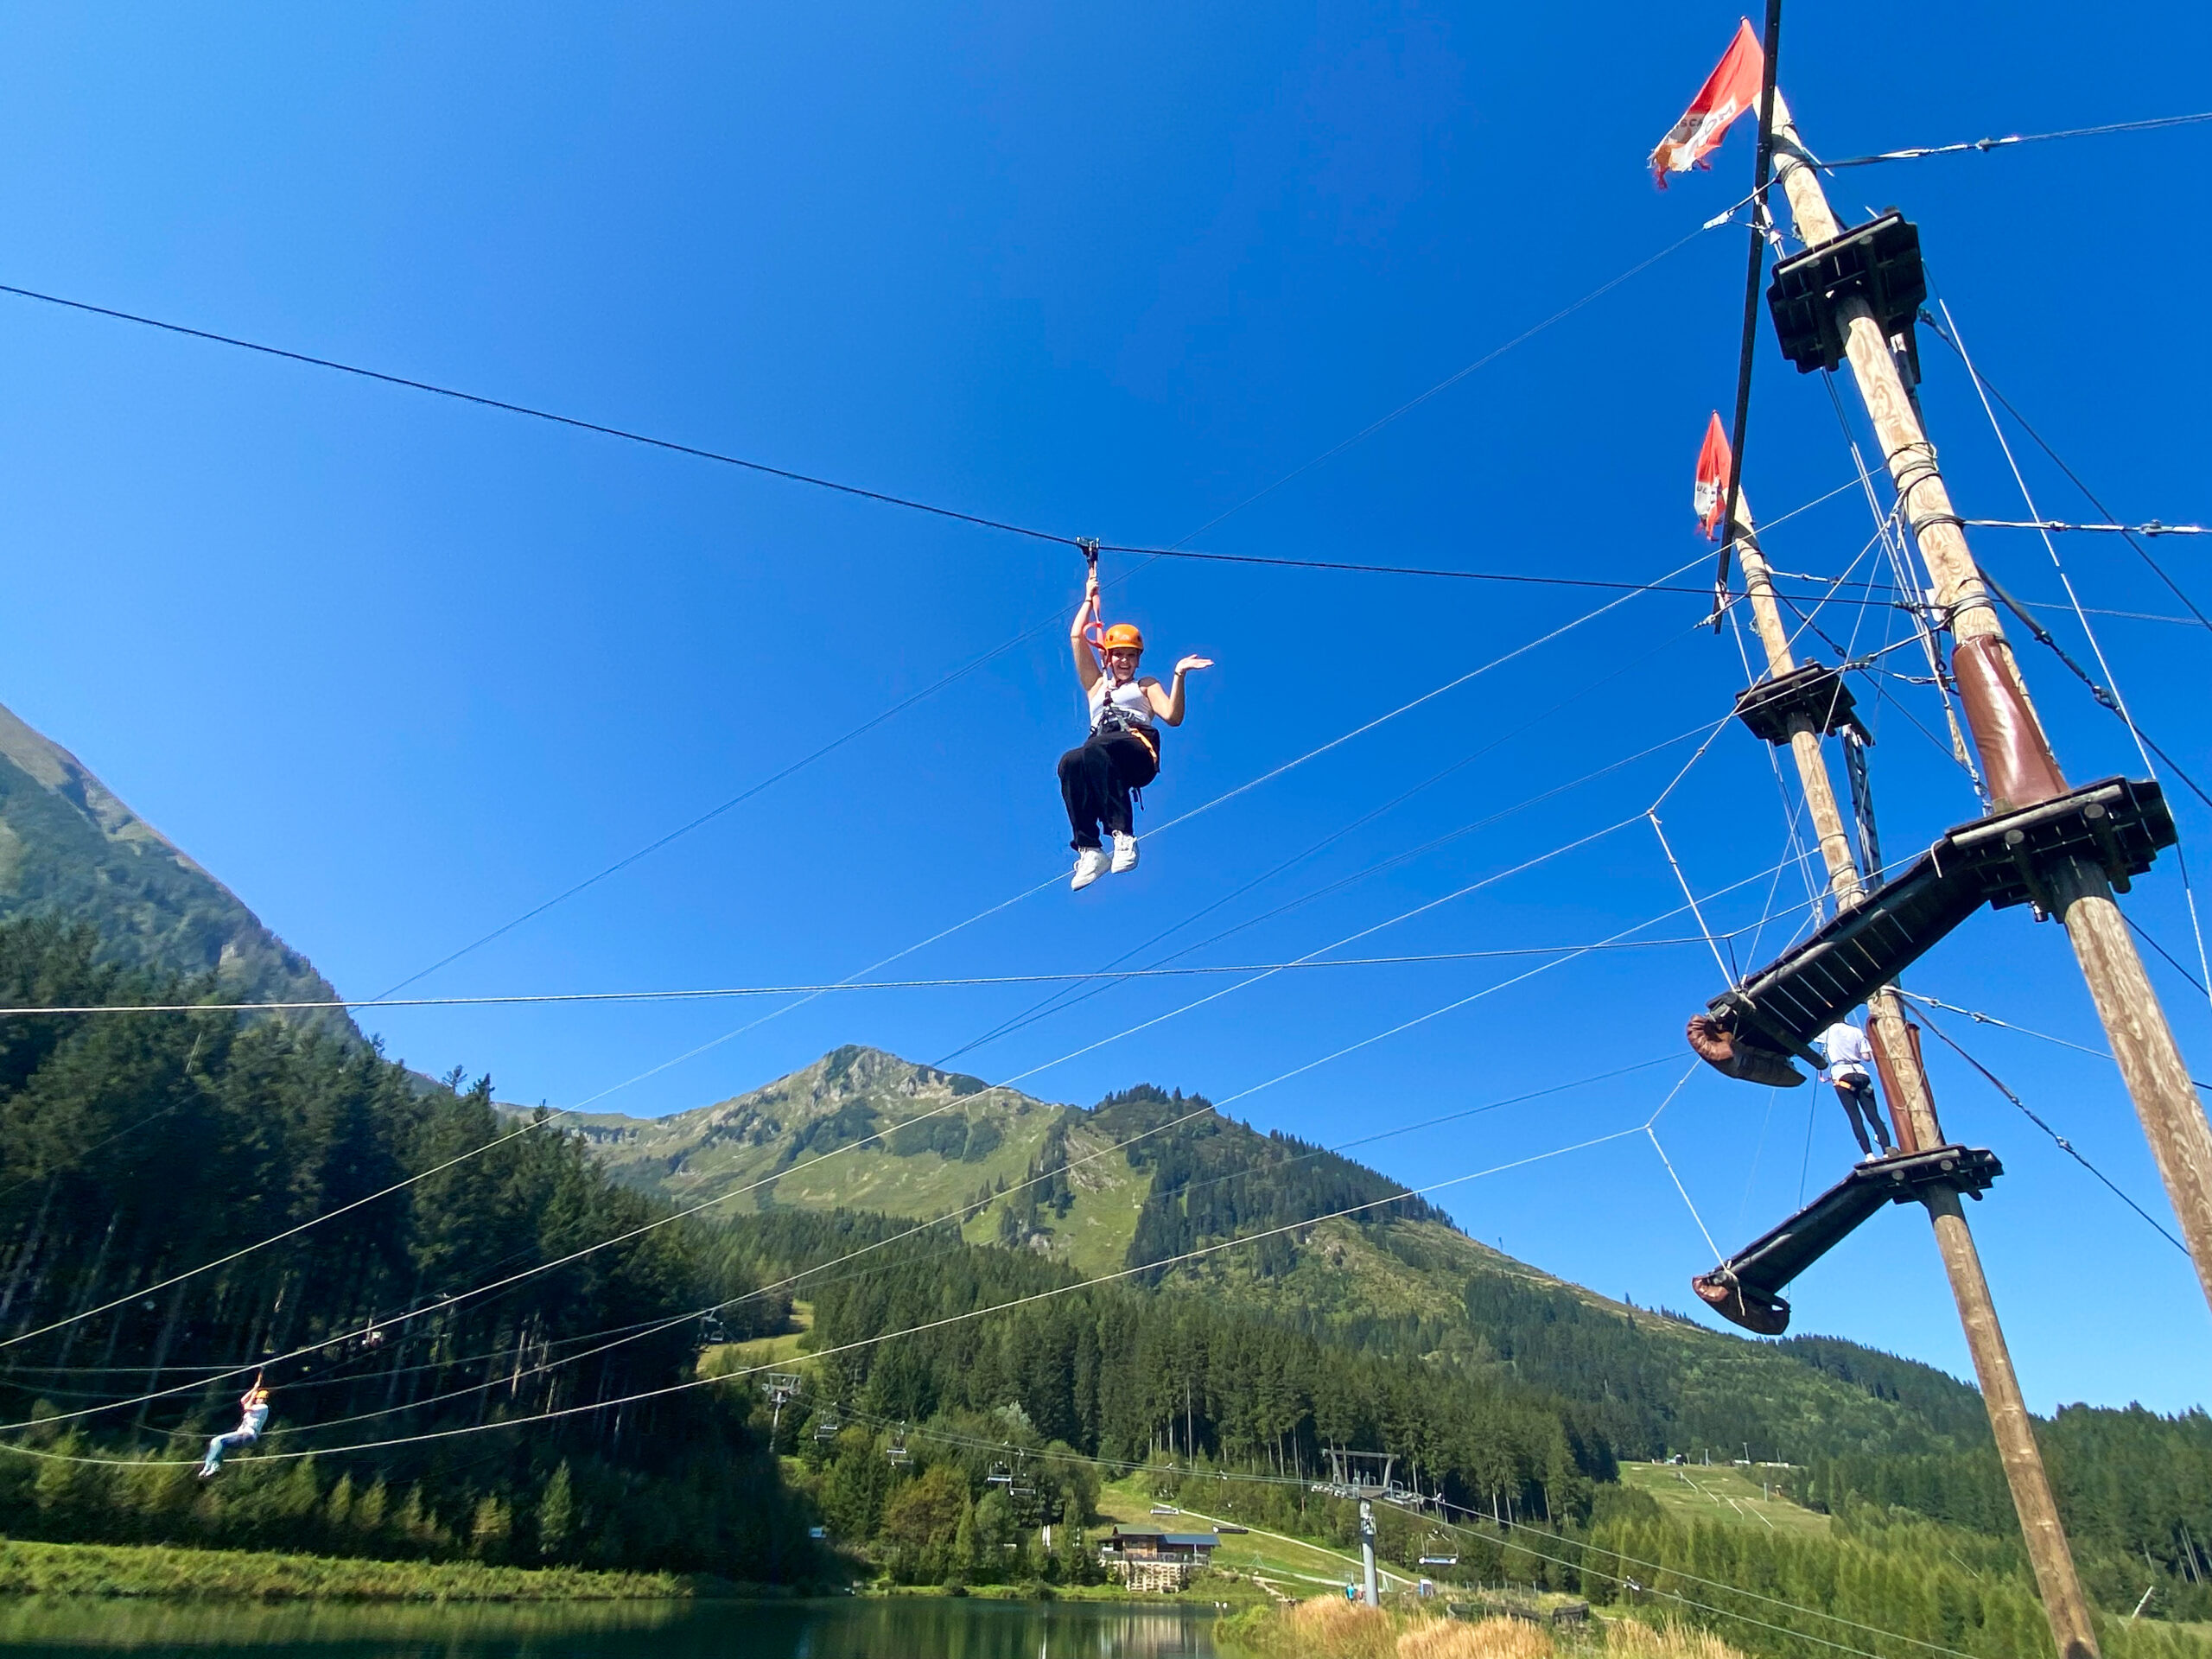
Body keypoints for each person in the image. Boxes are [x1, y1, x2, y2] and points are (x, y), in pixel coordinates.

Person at [1058, 564, 1211, 890]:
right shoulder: (1096, 686)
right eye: (1118, 655)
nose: (1124, 661)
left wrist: (1179, 675)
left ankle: (1123, 836)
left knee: (1096, 748)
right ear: (1108, 658)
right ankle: (1090, 850)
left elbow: (1172, 716)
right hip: (1103, 757)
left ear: (1138, 660)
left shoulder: (1144, 685)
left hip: (1137, 750)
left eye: (1131, 656)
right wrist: (1088, 598)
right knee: (1070, 761)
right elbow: (1075, 637)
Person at [1815, 1015, 1893, 1161]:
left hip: (1841, 1073)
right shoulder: (1856, 1031)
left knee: (1855, 1117)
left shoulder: (1828, 1031)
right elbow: (1867, 1057)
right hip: (1861, 1073)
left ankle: (1869, 1155)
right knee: (1874, 1116)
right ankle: (1887, 1151)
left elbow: (1814, 1036)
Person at [199, 1382, 271, 1478]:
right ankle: (214, 1467)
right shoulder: (256, 1408)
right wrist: (253, 1389)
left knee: (217, 1440)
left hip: (247, 1434)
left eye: (258, 1398)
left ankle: (209, 1466)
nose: (257, 1400)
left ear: (261, 1399)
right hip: (244, 1435)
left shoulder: (263, 1407)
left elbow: (246, 1407)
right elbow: (242, 1401)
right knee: (220, 1444)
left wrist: (253, 1395)